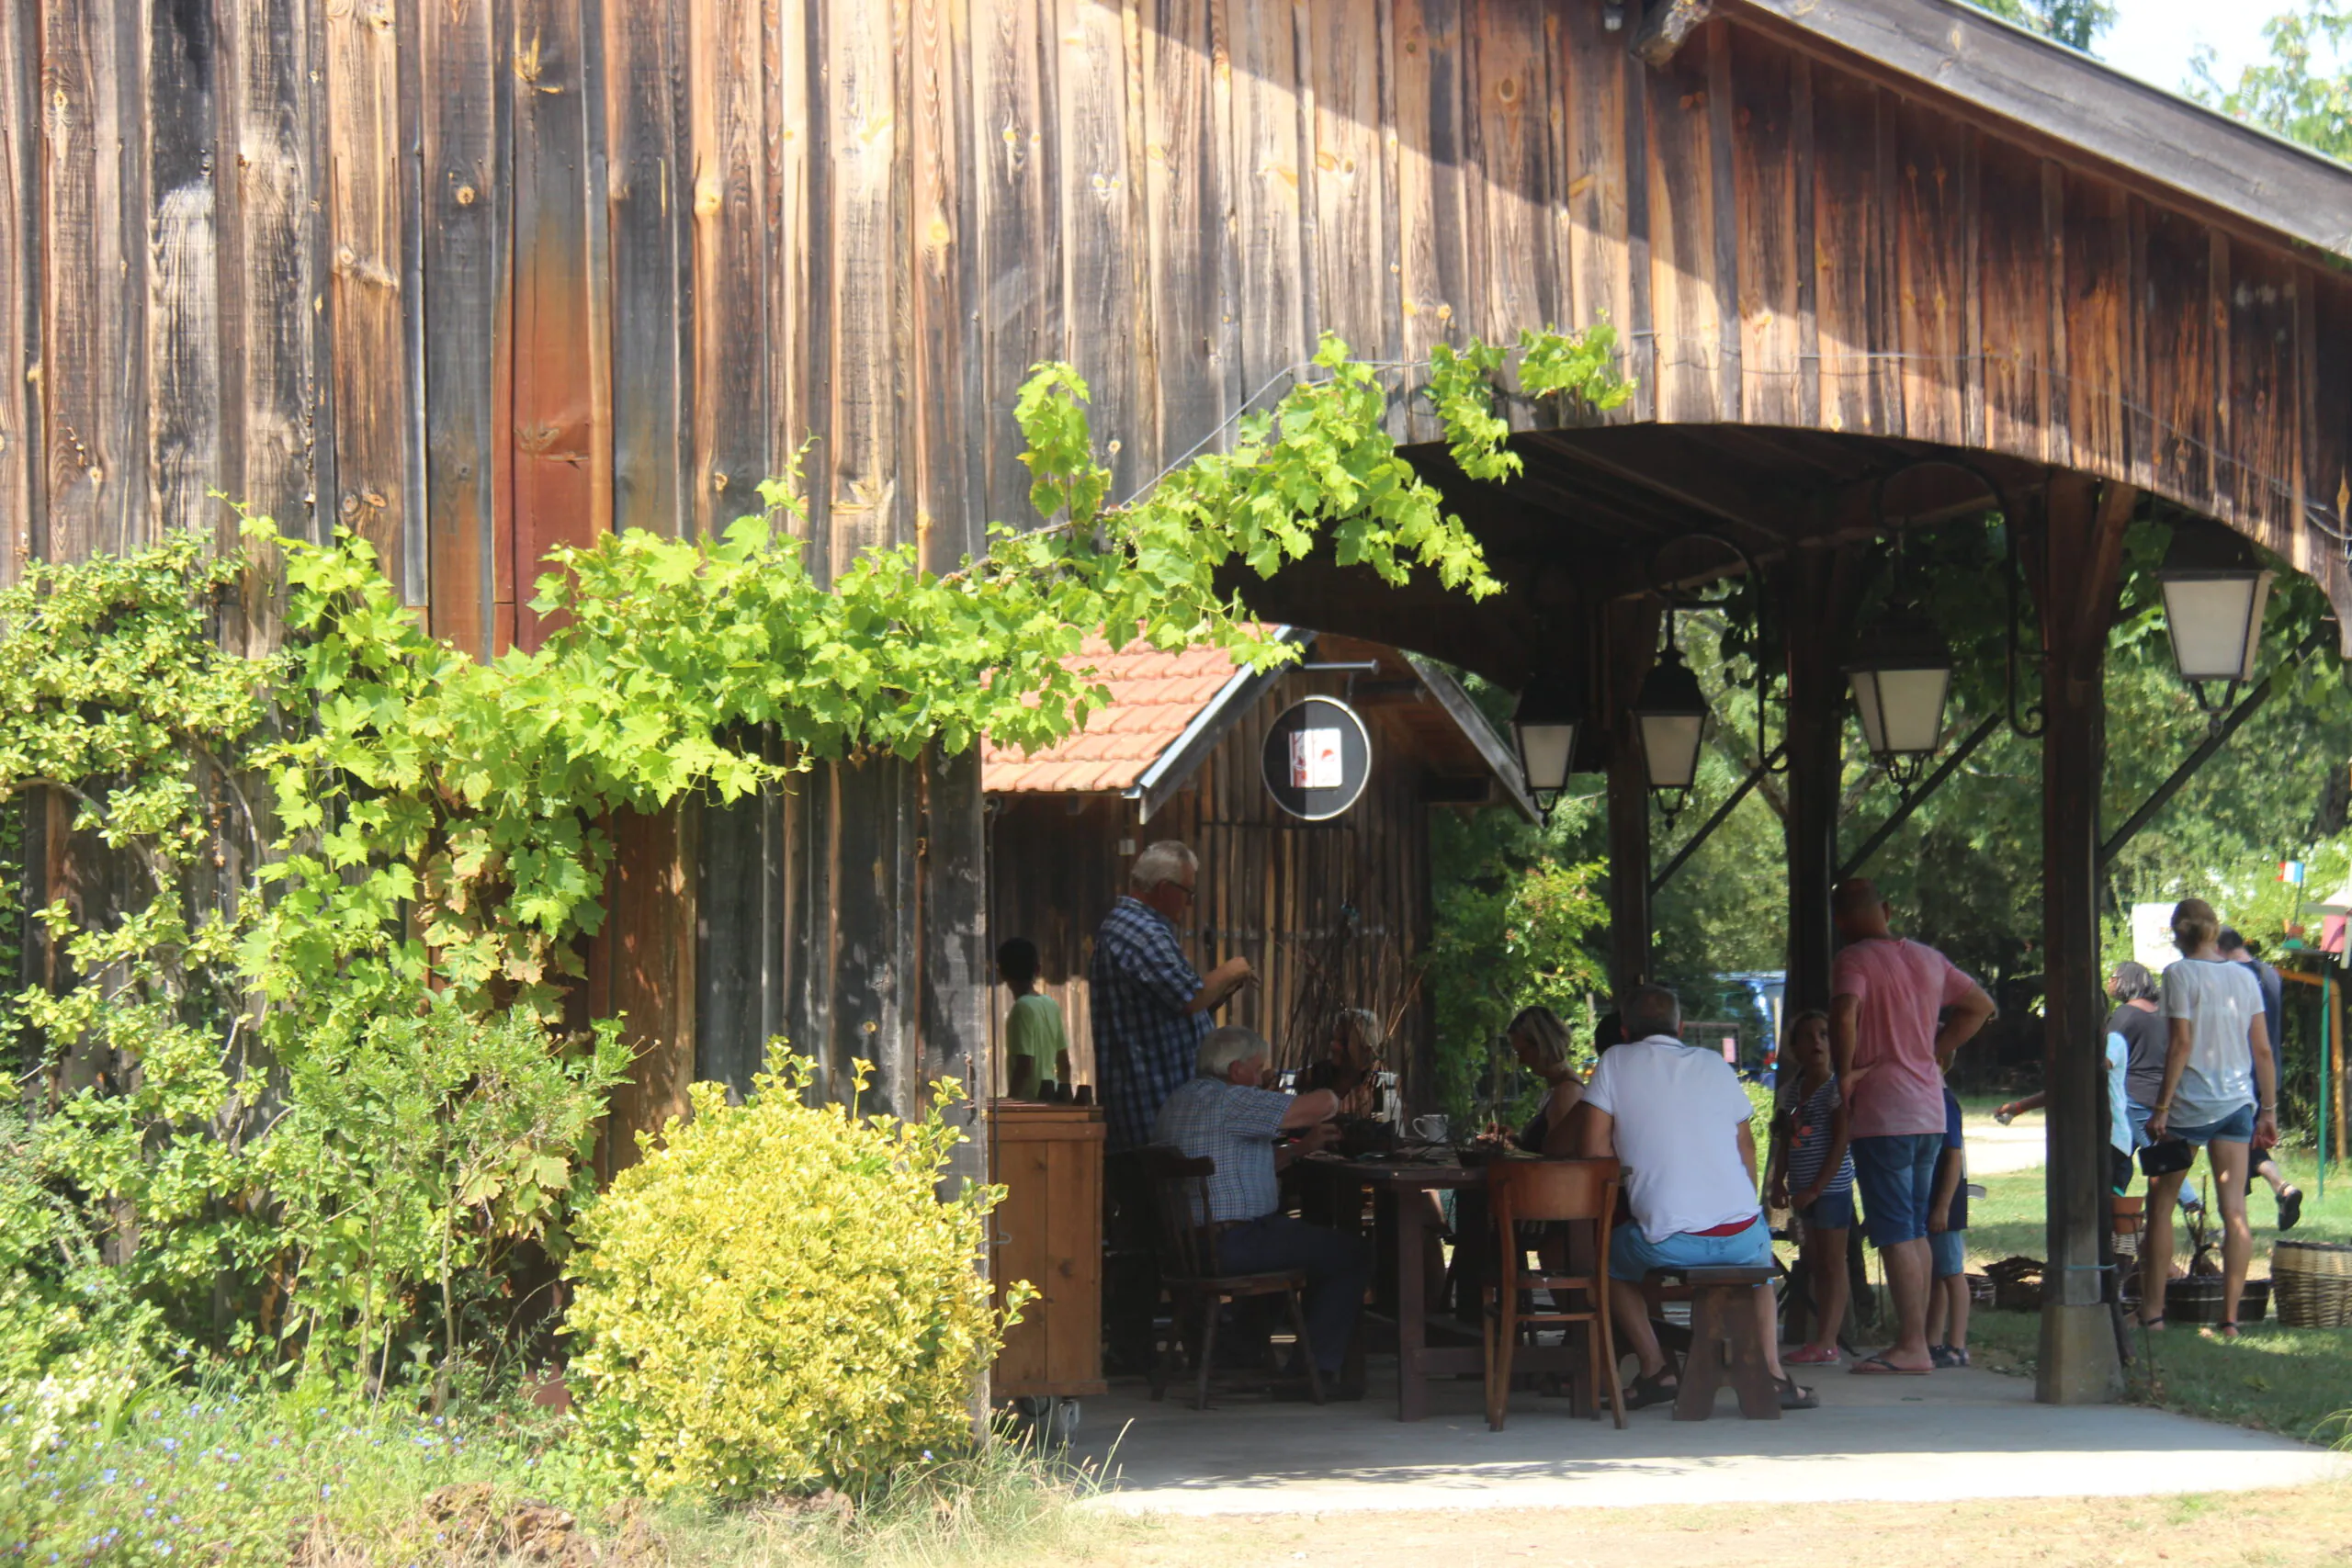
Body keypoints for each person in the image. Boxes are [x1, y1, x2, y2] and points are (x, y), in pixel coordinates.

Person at [1578, 985, 1816, 1412]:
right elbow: (1747, 1147)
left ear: (1626, 1030)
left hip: (1670, 1239)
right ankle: (1774, 1374)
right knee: (1760, 1268)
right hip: (1743, 1232)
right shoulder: (1715, 1065)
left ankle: (1657, 1368)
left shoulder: (1614, 1061)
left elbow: (1594, 1152)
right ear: (1681, 1028)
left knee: (1605, 1262)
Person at [1092, 840, 1256, 1369]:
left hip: (1147, 1111)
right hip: (1150, 1113)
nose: (1189, 903)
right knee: (1159, 1236)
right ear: (1163, 889)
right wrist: (1230, 971)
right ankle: (1161, 1350)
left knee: (1151, 1238)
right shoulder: (1139, 930)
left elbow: (1179, 1009)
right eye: (1186, 892)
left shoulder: (1134, 929)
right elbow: (1188, 997)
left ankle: (1151, 1349)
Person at [1829, 876, 1997, 1375]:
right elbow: (1981, 1007)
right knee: (1918, 1230)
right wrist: (1932, 1050)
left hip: (1884, 1114)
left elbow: (1844, 1012)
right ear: (1887, 908)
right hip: (1929, 1109)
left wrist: (1843, 1073)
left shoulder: (1853, 960)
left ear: (1840, 920)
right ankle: (1921, 1340)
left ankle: (1910, 1347)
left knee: (1896, 1232)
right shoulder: (1927, 959)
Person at [1152, 1025, 1369, 1395]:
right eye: (1258, 1068)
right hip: (1231, 1244)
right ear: (1236, 1071)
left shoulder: (1181, 1100)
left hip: (1192, 1245)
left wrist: (1300, 1150)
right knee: (1350, 1252)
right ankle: (1311, 1372)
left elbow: (1230, 1164)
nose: (1263, 1077)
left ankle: (1240, 1350)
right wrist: (1350, 1073)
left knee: (1288, 1237)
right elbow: (1315, 1108)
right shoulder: (1232, 1100)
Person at [2142, 898, 2278, 1338]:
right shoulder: (2244, 977)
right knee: (2234, 1209)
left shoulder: (2179, 974)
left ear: (2178, 934)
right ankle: (2231, 1320)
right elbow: (2262, 1050)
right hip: (2237, 1105)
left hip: (2187, 1106)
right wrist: (2269, 1109)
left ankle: (2153, 1314)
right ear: (2214, 931)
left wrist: (2161, 1107)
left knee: (2160, 1207)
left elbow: (2181, 1044)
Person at [1766, 1009, 1854, 1366]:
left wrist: (1817, 1188)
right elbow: (1785, 1140)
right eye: (1808, 1036)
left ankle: (1828, 1341)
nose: (1816, 1042)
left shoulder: (1837, 1089)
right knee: (1813, 1260)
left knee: (1834, 1262)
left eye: (1824, 1034)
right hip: (1803, 1190)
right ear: (1794, 1048)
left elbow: (1840, 1144)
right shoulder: (1791, 1092)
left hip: (1831, 1189)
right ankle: (1822, 1336)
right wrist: (1778, 1182)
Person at [2220, 929, 2304, 1231]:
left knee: (2231, 1143)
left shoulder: (2232, 977)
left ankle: (2236, 1220)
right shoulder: (2269, 973)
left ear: (2220, 950)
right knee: (2246, 1144)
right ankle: (2282, 1190)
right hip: (2268, 1072)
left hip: (2240, 1072)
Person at [1924, 1082, 1971, 1369]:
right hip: (1930, 1198)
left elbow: (1954, 1156)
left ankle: (1958, 1344)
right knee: (1936, 1274)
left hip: (1946, 1199)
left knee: (1952, 1272)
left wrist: (1943, 1206)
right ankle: (1933, 1341)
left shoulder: (1944, 1100)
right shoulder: (1928, 1097)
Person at [1502, 1004, 1586, 1153]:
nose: (1521, 1060)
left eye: (1522, 1051)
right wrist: (1514, 1141)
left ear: (1541, 1045)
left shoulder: (1567, 1092)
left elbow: (1556, 1162)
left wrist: (1512, 1150)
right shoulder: (1557, 1089)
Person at [997, 936, 1070, 1100]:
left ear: (1001, 972)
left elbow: (1024, 1065)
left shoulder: (1022, 1008)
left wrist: (1010, 1102)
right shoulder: (1051, 1005)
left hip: (1029, 1103)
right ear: (1038, 969)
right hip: (1052, 1100)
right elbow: (1064, 1064)